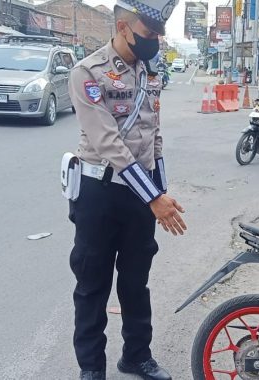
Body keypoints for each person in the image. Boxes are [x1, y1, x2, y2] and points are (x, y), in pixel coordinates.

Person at [67, 1, 186, 379]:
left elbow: (153, 135)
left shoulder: (150, 73)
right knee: (93, 284)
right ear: (122, 27)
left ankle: (136, 356)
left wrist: (160, 191)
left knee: (136, 282)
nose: (156, 42)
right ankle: (92, 369)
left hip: (142, 196)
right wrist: (155, 198)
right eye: (150, 35)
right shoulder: (87, 72)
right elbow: (107, 142)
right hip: (99, 194)